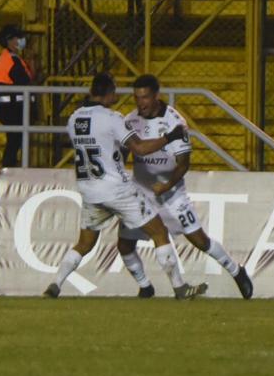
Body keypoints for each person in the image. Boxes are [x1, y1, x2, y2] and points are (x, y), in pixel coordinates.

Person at [44, 72, 208, 300]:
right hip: (116, 189)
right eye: (114, 92)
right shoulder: (113, 118)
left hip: (89, 190)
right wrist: (169, 137)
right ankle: (180, 288)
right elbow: (140, 148)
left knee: (84, 243)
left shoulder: (73, 119)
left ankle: (55, 285)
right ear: (109, 93)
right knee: (159, 232)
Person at [116, 74, 254, 300]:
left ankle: (236, 271)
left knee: (200, 240)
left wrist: (167, 184)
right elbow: (122, 155)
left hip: (171, 194)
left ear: (156, 96)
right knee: (124, 244)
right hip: (141, 193)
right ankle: (145, 287)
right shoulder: (130, 121)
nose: (141, 103)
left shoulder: (174, 122)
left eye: (145, 97)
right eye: (137, 97)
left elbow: (184, 164)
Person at [0, 24, 37, 168]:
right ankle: (8, 168)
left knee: (15, 139)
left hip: (10, 107)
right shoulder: (11, 59)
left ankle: (10, 166)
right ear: (9, 41)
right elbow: (24, 81)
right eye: (17, 38)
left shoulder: (11, 58)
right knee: (14, 140)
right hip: (11, 108)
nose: (21, 40)